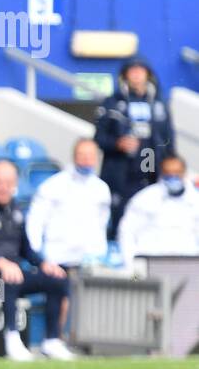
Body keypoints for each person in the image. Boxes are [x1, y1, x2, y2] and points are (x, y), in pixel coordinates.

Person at [0, 160, 75, 361]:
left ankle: (52, 341)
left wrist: (44, 264)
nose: (4, 187)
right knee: (8, 278)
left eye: (9, 182)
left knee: (57, 278)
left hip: (11, 274)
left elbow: (26, 249)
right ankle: (11, 337)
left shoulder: (16, 210)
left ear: (15, 184)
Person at [95, 58, 174, 239]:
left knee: (151, 223)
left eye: (141, 70)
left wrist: (170, 166)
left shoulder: (159, 104)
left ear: (148, 74)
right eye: (132, 70)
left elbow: (169, 140)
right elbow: (99, 138)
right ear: (124, 75)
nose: (137, 74)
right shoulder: (112, 103)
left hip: (150, 173)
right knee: (118, 222)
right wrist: (117, 143)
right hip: (120, 176)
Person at [25, 138, 112, 270]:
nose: (87, 160)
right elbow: (35, 220)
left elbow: (102, 221)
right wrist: (37, 254)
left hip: (90, 261)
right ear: (74, 156)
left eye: (91, 155)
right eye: (82, 155)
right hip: (58, 260)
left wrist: (99, 250)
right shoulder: (53, 185)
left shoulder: (102, 188)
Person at [117, 154, 199, 265]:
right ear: (162, 173)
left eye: (176, 172)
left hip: (187, 262)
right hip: (152, 261)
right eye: (168, 172)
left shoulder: (195, 200)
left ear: (184, 173)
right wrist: (131, 263)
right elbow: (127, 232)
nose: (172, 176)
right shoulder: (145, 198)